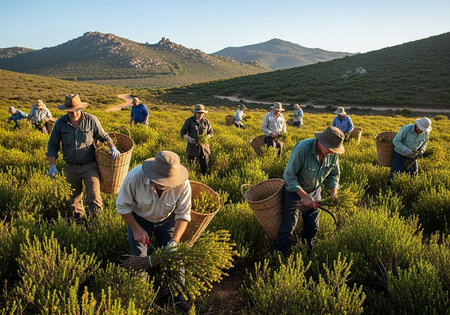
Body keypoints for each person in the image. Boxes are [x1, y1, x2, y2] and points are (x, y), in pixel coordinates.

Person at [116, 150, 191, 311]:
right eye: (160, 180)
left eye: (167, 181)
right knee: (140, 260)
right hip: (140, 219)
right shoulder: (134, 177)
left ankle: (178, 296)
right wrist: (136, 229)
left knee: (175, 259)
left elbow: (183, 214)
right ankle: (143, 298)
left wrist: (174, 241)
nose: (163, 184)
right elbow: (122, 206)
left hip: (167, 220)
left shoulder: (183, 184)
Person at [47, 94, 120, 220]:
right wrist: (52, 166)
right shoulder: (60, 123)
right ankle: (79, 223)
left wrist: (112, 146)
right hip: (70, 167)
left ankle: (96, 223)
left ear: (80, 108)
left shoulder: (91, 120)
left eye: (76, 110)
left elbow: (104, 136)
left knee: (94, 197)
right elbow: (52, 145)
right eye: (70, 111)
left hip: (89, 166)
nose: (73, 113)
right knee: (74, 200)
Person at [274, 126, 345, 255]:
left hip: (315, 191)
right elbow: (289, 176)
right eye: (331, 149)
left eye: (335, 150)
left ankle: (306, 254)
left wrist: (333, 191)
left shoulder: (332, 154)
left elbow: (334, 174)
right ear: (322, 142)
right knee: (288, 227)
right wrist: (304, 196)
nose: (333, 153)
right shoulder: (302, 149)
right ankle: (278, 259)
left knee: (312, 227)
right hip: (294, 191)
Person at [180, 104, 213, 175]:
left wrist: (207, 137)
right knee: (191, 167)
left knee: (205, 168)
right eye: (198, 112)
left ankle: (204, 179)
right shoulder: (189, 121)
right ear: (195, 113)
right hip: (192, 148)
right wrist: (189, 138)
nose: (200, 114)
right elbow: (182, 132)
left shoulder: (206, 122)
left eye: (202, 113)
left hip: (204, 149)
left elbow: (211, 132)